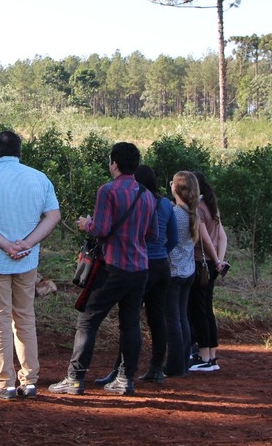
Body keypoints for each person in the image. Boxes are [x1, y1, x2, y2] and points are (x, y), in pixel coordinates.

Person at [48, 142, 156, 397]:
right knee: (130, 324)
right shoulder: (147, 195)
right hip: (139, 269)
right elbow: (153, 235)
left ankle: (74, 379)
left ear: (114, 163)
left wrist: (87, 223)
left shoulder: (107, 191)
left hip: (112, 267)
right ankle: (125, 379)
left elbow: (101, 229)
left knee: (87, 321)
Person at [0, 130, 61, 400]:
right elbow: (53, 215)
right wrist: (27, 243)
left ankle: (6, 383)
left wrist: (5, 245)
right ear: (19, 152)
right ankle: (30, 380)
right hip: (26, 261)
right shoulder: (38, 178)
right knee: (25, 317)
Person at [96, 165, 177, 386]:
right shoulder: (165, 204)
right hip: (162, 266)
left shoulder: (137, 199)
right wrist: (161, 253)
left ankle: (119, 371)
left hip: (139, 264)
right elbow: (173, 237)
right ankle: (156, 368)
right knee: (157, 318)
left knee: (130, 320)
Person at [164, 171, 201, 378]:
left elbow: (167, 241)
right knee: (182, 318)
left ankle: (175, 366)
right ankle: (184, 362)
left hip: (174, 272)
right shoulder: (193, 212)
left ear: (176, 188)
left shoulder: (175, 213)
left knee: (172, 321)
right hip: (188, 271)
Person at [188, 171, 224, 371]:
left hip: (200, 263)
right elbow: (221, 237)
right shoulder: (212, 207)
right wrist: (218, 261)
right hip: (211, 264)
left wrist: (215, 259)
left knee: (198, 311)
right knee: (207, 310)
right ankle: (211, 357)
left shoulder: (198, 210)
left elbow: (206, 240)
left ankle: (203, 357)